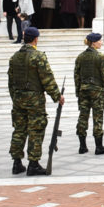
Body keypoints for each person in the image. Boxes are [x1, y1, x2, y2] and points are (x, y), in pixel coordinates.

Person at [8, 26, 64, 176]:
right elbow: (47, 79)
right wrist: (57, 96)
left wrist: (15, 97)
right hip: (34, 100)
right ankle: (33, 163)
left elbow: (11, 81)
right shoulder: (38, 56)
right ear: (35, 39)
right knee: (36, 130)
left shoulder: (14, 57)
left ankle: (17, 163)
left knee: (19, 130)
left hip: (19, 99)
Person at [75, 32, 104, 155]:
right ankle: (98, 146)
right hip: (96, 90)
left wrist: (78, 91)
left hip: (83, 90)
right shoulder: (100, 57)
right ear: (94, 43)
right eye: (100, 41)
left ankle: (82, 146)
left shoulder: (80, 57)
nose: (101, 43)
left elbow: (77, 76)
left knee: (83, 116)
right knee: (98, 117)